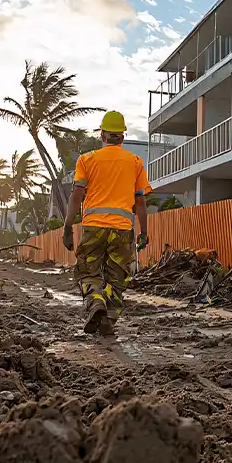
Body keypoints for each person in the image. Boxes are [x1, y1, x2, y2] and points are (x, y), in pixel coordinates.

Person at [62, 111, 151, 336]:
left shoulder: (87, 160)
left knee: (88, 271)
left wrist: (67, 226)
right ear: (121, 137)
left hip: (93, 228)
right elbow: (140, 201)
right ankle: (108, 321)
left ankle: (96, 304)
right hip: (122, 230)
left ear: (102, 135)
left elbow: (75, 196)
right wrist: (144, 231)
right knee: (117, 278)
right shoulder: (135, 162)